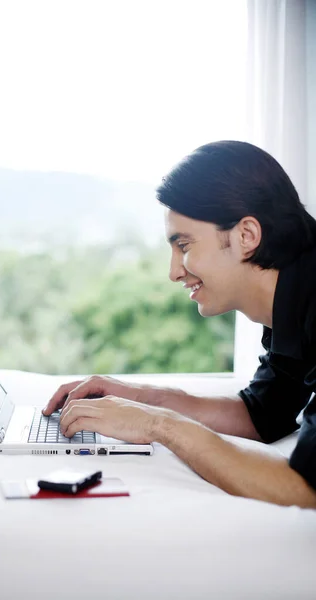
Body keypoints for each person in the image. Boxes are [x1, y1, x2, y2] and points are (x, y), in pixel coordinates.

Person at [42, 140, 316, 509]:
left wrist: (159, 425)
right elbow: (262, 414)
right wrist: (139, 399)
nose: (174, 272)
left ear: (246, 236)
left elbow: (304, 488)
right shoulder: (295, 291)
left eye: (184, 245)